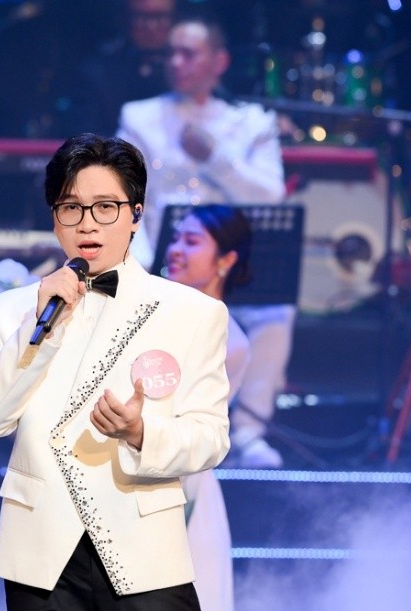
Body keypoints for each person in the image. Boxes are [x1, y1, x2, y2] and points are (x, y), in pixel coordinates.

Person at [0, 133, 231, 609]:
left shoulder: (192, 313)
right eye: (71, 207)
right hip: (41, 557)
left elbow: (211, 438)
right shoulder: (8, 314)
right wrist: (38, 330)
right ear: (54, 217)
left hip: (145, 552)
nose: (87, 223)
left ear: (136, 214)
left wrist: (141, 432)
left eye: (106, 207)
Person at [117, 14, 292, 468]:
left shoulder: (250, 122)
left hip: (226, 261)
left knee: (274, 314)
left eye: (189, 54)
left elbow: (270, 194)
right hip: (164, 260)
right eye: (171, 53)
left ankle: (248, 432)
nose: (176, 62)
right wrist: (137, 266)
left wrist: (216, 157)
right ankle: (168, 429)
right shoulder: (140, 117)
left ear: (219, 62)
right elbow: (124, 195)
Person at [165, 204, 253, 611]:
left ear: (226, 260)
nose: (175, 249)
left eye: (191, 241)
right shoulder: (149, 311)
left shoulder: (230, 342)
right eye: (175, 238)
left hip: (179, 486)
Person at [63, 0, 176, 135]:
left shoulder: (187, 70)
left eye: (161, 16)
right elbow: (85, 136)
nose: (151, 26)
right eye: (140, 17)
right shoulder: (96, 73)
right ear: (124, 19)